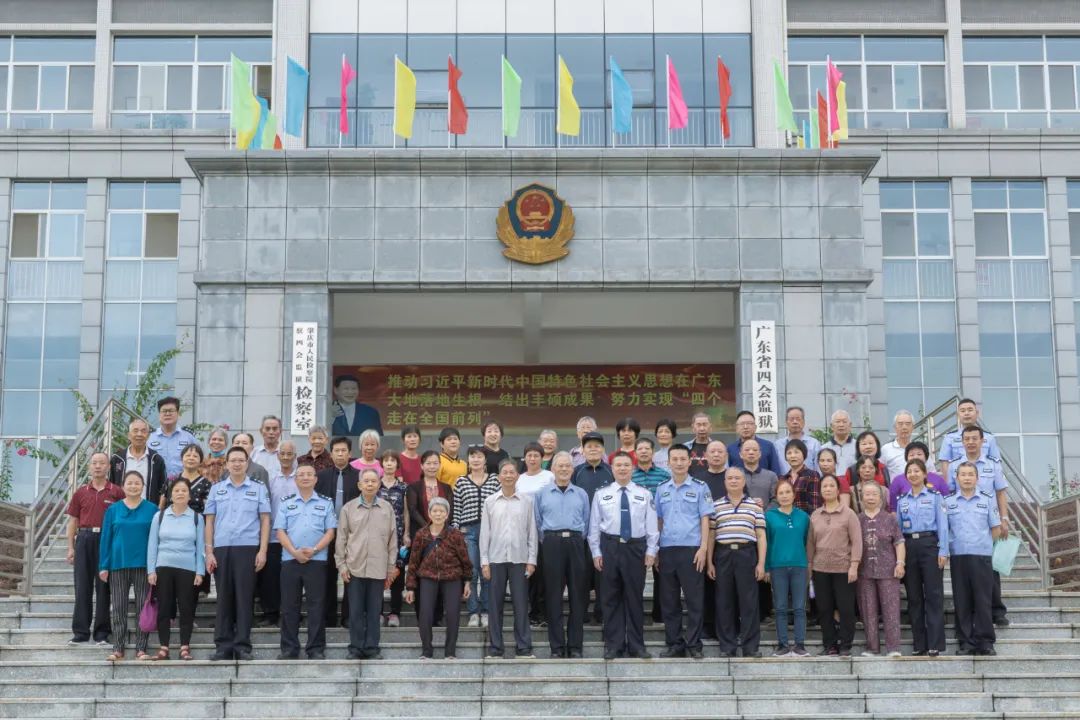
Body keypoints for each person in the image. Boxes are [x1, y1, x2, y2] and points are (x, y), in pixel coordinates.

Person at [588, 452, 658, 660]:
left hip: (635, 548)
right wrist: (596, 552)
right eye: (618, 465)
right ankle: (614, 645)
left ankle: (637, 645)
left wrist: (651, 551)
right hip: (610, 547)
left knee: (635, 598)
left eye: (626, 465)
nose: (622, 468)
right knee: (611, 599)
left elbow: (652, 527)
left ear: (632, 467)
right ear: (612, 468)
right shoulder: (602, 494)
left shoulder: (644, 494)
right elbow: (593, 527)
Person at [205, 446, 271, 661]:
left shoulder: (258, 489)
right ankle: (223, 645)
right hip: (222, 548)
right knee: (224, 597)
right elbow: (210, 521)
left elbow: (265, 520)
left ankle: (242, 645)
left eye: (241, 460)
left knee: (244, 597)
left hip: (248, 548)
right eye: (232, 460)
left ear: (246, 462)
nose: (236, 464)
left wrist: (262, 550)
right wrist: (209, 551)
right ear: (226, 464)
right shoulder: (217, 489)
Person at [947, 425, 1010, 627]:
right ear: (962, 441)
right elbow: (949, 492)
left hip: (989, 521)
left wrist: (1004, 518)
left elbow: (1000, 492)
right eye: (967, 438)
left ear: (983, 441)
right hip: (966, 522)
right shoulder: (955, 466)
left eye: (975, 438)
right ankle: (975, 612)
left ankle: (996, 610)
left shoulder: (993, 465)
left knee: (991, 569)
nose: (971, 442)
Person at [654, 446, 712, 659]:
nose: (678, 463)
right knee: (669, 601)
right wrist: (656, 549)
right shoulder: (662, 489)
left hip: (692, 550)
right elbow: (658, 520)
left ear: (690, 462)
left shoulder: (700, 487)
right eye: (674, 459)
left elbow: (705, 518)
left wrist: (704, 548)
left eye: (682, 459)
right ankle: (674, 643)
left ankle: (694, 644)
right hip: (667, 549)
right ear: (668, 462)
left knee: (695, 600)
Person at [274, 464, 337, 660]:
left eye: (310, 474)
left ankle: (315, 648)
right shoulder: (286, 503)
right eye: (301, 475)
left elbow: (330, 532)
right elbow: (280, 531)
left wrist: (315, 549)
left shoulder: (326, 503)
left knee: (316, 606)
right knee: (289, 606)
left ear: (316, 479)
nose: (306, 478)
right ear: (296, 479)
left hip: (316, 561)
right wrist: (294, 552)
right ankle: (289, 649)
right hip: (290, 561)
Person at [336, 469, 398, 660]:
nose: (370, 484)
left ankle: (371, 647)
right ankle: (355, 648)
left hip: (378, 569)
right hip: (354, 568)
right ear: (359, 485)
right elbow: (341, 539)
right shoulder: (349, 508)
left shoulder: (387, 508)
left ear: (379, 484)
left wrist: (390, 568)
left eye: (373, 481)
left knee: (374, 612)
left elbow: (392, 540)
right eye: (366, 481)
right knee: (355, 611)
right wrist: (342, 565)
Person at [534, 451, 590, 658]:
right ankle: (557, 647)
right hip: (551, 543)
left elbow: (587, 521)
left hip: (576, 542)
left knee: (577, 596)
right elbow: (538, 522)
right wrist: (550, 539)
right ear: (553, 469)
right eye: (560, 466)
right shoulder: (542, 494)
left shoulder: (581, 494)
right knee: (553, 596)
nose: (564, 469)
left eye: (568, 466)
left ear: (572, 469)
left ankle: (575, 646)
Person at [480, 460, 538, 659]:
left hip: (519, 559)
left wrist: (532, 560)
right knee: (495, 606)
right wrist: (484, 561)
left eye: (512, 472)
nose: (508, 475)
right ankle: (496, 648)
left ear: (517, 476)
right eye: (504, 472)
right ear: (498, 477)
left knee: (521, 605)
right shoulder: (489, 502)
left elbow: (532, 532)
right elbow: (484, 534)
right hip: (495, 559)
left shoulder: (527, 501)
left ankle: (523, 647)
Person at [707, 466, 766, 658]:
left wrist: (761, 563)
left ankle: (750, 647)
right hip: (723, 554)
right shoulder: (715, 506)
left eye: (737, 478)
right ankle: (728, 646)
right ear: (724, 482)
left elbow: (761, 536)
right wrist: (709, 562)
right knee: (724, 601)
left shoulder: (755, 506)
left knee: (749, 602)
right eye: (729, 478)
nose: (733, 481)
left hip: (747, 554)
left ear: (744, 482)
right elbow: (711, 535)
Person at [66, 451, 124, 646]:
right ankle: (80, 633)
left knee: (103, 588)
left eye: (102, 463)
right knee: (82, 587)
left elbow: (122, 520)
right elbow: (73, 520)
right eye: (94, 463)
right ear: (90, 467)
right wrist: (70, 547)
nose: (98, 466)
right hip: (84, 538)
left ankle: (101, 634)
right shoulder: (80, 492)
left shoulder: (116, 492)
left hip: (106, 541)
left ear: (108, 467)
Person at [98, 470, 156, 661]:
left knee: (142, 607)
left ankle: (141, 648)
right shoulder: (113, 510)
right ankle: (118, 648)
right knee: (119, 607)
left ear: (143, 486)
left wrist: (154, 567)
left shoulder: (152, 509)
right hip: (118, 564)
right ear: (123, 486)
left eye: (137, 483)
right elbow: (106, 538)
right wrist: (103, 565)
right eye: (129, 483)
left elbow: (157, 539)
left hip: (143, 565)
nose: (133, 486)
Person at [405, 497, 473, 659]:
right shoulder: (421, 534)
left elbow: (465, 559)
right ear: (429, 513)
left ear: (447, 514)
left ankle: (450, 651)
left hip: (452, 577)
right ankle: (427, 650)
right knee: (426, 613)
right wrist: (410, 587)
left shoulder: (455, 534)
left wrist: (468, 582)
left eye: (441, 511)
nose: (438, 514)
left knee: (452, 614)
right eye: (434, 510)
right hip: (428, 577)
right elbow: (413, 562)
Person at [947, 462, 1003, 656]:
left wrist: (982, 544)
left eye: (971, 474)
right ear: (957, 478)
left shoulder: (987, 499)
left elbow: (995, 529)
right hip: (958, 556)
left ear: (977, 478)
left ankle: (986, 641)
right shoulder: (949, 502)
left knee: (983, 600)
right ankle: (966, 642)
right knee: (962, 601)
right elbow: (946, 531)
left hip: (981, 557)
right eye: (963, 474)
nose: (967, 478)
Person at [147, 477, 205, 661]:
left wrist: (200, 571)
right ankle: (164, 647)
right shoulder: (160, 516)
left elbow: (201, 547)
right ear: (171, 495)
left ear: (190, 495)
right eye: (176, 490)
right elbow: (152, 545)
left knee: (187, 608)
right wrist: (151, 570)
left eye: (184, 490)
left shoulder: (197, 518)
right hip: (163, 567)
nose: (180, 493)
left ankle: (184, 647)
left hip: (188, 569)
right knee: (164, 607)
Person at [896, 458, 949, 657]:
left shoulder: (935, 497)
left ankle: (935, 643)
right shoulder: (902, 501)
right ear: (906, 475)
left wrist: (943, 550)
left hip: (930, 546)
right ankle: (920, 644)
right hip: (909, 547)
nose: (913, 474)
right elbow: (898, 531)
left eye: (917, 471)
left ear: (925, 474)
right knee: (914, 597)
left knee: (933, 596)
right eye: (909, 471)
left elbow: (943, 525)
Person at [806, 474, 862, 656]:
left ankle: (845, 644)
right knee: (824, 609)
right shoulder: (815, 515)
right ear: (821, 491)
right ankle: (829, 644)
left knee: (846, 608)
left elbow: (857, 541)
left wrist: (854, 565)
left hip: (843, 569)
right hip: (820, 569)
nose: (828, 489)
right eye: (824, 487)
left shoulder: (849, 513)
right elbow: (811, 544)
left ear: (838, 490)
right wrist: (810, 566)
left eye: (831, 486)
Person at [452, 445, 500, 628]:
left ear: (485, 460)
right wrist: (456, 530)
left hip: (490, 530)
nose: (476, 459)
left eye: (479, 456)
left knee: (487, 572)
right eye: (472, 456)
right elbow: (456, 509)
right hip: (468, 531)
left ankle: (486, 611)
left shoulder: (495, 480)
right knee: (471, 572)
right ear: (468, 460)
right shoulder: (461, 481)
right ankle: (473, 612)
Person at [856, 481, 905, 657]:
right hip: (864, 571)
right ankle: (872, 648)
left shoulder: (890, 518)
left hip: (888, 570)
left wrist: (900, 563)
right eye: (867, 494)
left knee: (891, 609)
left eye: (874, 494)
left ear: (881, 497)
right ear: (861, 498)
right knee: (868, 610)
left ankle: (893, 648)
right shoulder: (857, 519)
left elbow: (899, 542)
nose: (870, 497)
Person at [315, 436, 360, 628]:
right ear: (331, 453)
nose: (340, 454)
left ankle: (348, 618)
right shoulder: (322, 476)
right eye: (336, 451)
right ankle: (329, 618)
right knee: (326, 577)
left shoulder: (359, 475)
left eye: (344, 451)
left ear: (350, 454)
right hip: (328, 532)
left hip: (352, 534)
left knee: (350, 576)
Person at [570, 431, 614, 624]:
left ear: (603, 449)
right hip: (581, 534)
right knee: (581, 575)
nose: (593, 449)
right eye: (589, 446)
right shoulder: (576, 471)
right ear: (583, 450)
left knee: (602, 575)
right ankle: (582, 613)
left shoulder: (611, 471)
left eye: (597, 446)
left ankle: (602, 612)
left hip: (605, 533)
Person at [764, 479, 811, 656]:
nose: (784, 496)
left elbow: (806, 541)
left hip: (799, 565)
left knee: (799, 607)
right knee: (781, 607)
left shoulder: (803, 517)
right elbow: (767, 542)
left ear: (793, 494)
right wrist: (767, 567)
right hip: (777, 566)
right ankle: (782, 644)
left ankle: (800, 644)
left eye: (787, 492)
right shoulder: (769, 516)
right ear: (776, 496)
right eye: (780, 493)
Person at [688, 440, 727, 638]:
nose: (716, 455)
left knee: (726, 587)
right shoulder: (697, 479)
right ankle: (706, 625)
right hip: (703, 538)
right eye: (713, 452)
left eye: (720, 451)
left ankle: (726, 627)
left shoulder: (733, 478)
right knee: (705, 585)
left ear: (726, 455)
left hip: (726, 539)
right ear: (706, 456)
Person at [260, 440, 299, 626]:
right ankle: (271, 614)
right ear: (277, 456)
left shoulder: (300, 478)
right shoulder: (270, 478)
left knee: (292, 579)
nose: (285, 457)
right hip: (274, 536)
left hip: (295, 537)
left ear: (294, 456)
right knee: (271, 578)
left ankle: (291, 615)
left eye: (289, 454)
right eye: (282, 454)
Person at [633, 436, 671, 624]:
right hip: (636, 531)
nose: (644, 451)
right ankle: (635, 615)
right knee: (635, 576)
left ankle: (659, 615)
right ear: (635, 452)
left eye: (647, 448)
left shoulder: (664, 475)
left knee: (661, 573)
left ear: (653, 452)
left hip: (660, 527)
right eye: (640, 449)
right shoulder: (631, 476)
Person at [517, 441, 553, 628]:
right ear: (525, 458)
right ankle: (533, 612)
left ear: (542, 458)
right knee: (529, 575)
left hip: (545, 532)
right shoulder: (519, 479)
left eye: (536, 455)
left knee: (545, 575)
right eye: (529, 455)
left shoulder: (549, 476)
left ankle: (546, 613)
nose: (532, 459)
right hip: (523, 532)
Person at [378, 450, 409, 627]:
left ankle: (395, 613)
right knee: (378, 574)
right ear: (381, 464)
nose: (389, 464)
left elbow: (405, 512)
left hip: (397, 536)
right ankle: (379, 612)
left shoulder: (403, 487)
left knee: (397, 574)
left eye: (393, 461)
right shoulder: (376, 486)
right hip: (378, 536)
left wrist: (406, 533)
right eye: (386, 460)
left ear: (397, 465)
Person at [109, 417, 168, 507]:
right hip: (121, 511)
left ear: (148, 436)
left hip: (148, 512)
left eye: (143, 431)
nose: (139, 434)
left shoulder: (156, 459)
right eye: (135, 431)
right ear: (129, 435)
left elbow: (163, 489)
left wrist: (158, 511)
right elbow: (111, 487)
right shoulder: (117, 459)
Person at [936, 398, 1001, 477]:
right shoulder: (949, 438)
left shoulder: (989, 438)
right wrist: (949, 485)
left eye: (970, 410)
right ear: (958, 415)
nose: (966, 413)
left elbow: (996, 463)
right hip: (959, 484)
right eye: (962, 411)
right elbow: (945, 463)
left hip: (985, 483)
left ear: (977, 413)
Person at [888, 441, 950, 512]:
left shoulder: (938, 479)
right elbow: (893, 509)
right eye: (911, 455)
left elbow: (946, 503)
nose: (916, 457)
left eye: (919, 454)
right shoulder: (898, 480)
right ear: (906, 458)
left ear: (926, 457)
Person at [148, 397, 198, 477]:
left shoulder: (189, 437)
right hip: (157, 484)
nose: (167, 414)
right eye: (164, 411)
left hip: (183, 484)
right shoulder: (149, 437)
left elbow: (198, 461)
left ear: (178, 414)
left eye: (171, 411)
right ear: (159, 414)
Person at [408, 450, 454, 534]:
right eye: (428, 463)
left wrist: (441, 528)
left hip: (443, 533)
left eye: (435, 463)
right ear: (422, 466)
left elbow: (450, 510)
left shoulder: (446, 488)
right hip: (421, 533)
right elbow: (413, 511)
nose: (432, 467)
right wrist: (428, 528)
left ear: (439, 465)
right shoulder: (414, 487)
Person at [776, 406, 822, 474]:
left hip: (809, 482)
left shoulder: (814, 444)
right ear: (786, 423)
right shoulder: (778, 445)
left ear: (803, 422)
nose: (795, 422)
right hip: (784, 483)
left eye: (798, 419)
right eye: (791, 419)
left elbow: (818, 469)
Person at [782, 439, 822, 515]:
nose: (793, 456)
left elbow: (815, 505)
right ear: (786, 457)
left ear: (804, 454)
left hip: (806, 520)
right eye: (789, 453)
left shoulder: (812, 475)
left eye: (796, 452)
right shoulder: (784, 479)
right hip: (786, 521)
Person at [739, 438, 778, 509]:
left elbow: (775, 500)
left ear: (760, 454)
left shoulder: (771, 476)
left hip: (765, 517)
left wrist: (764, 514)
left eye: (755, 450)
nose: (751, 452)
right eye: (747, 450)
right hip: (741, 517)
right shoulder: (735, 476)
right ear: (741, 454)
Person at [880, 411, 916, 480]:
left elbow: (931, 471)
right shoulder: (886, 449)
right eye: (900, 424)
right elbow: (880, 472)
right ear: (894, 427)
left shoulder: (920, 449)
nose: (904, 427)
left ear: (913, 427)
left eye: (908, 424)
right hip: (895, 489)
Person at [822, 410, 857, 476]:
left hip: (852, 485)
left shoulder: (858, 446)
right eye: (838, 422)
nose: (841, 425)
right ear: (832, 426)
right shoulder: (824, 448)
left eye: (844, 422)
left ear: (850, 425)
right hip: (832, 484)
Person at [252, 415, 284, 479]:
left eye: (275, 429)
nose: (271, 432)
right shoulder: (254, 453)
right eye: (267, 429)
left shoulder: (287, 453)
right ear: (261, 431)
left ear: (280, 431)